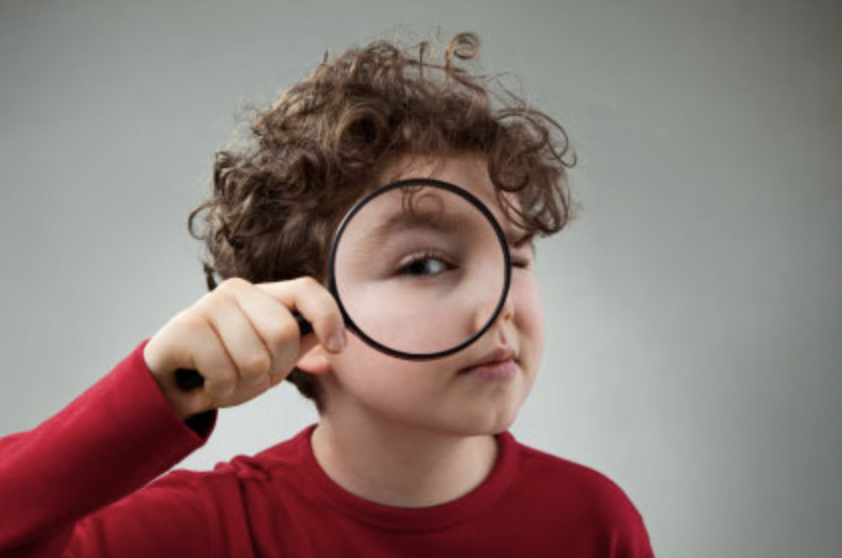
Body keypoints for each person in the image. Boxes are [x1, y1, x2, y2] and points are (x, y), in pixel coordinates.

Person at [0, 32, 654, 557]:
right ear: (302, 323)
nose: (499, 303)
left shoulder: (594, 524)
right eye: (426, 265)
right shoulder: (206, 531)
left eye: (516, 257)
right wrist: (161, 388)